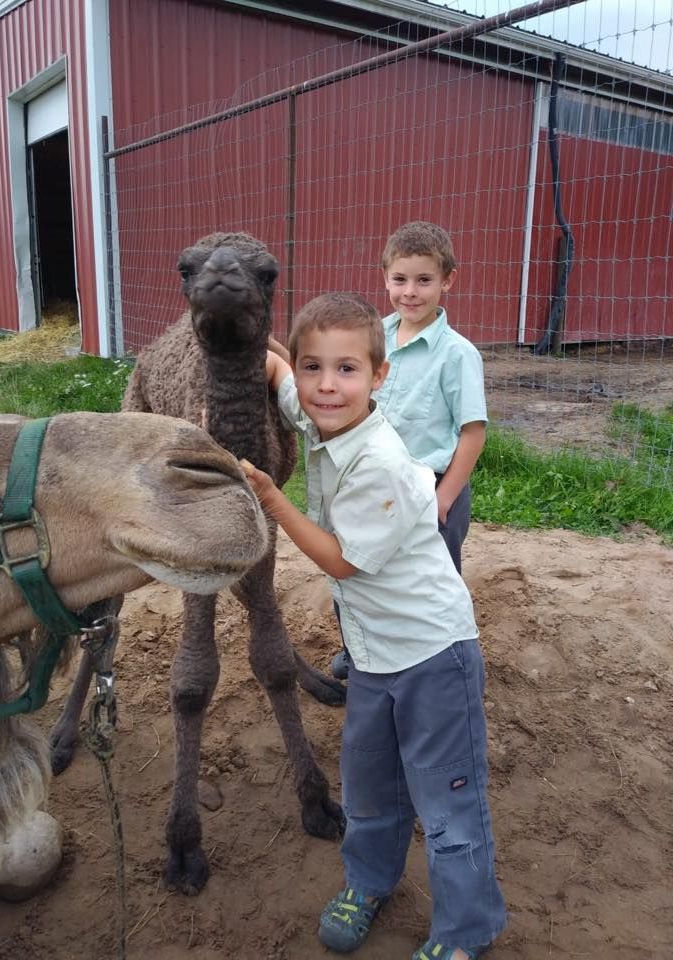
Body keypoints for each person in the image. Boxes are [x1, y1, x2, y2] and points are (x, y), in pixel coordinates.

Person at [242, 292, 506, 960]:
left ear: (380, 377)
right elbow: (285, 386)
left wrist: (273, 499)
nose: (328, 385)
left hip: (431, 657)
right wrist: (260, 353)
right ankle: (368, 880)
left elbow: (343, 562)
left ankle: (465, 929)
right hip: (374, 656)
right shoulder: (324, 414)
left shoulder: (382, 463)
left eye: (348, 370)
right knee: (367, 784)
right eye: (314, 368)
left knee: (447, 803)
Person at [330, 221, 487, 681]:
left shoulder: (457, 354)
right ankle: (358, 650)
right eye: (400, 280)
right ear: (384, 278)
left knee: (429, 582)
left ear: (447, 280)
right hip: (372, 484)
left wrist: (445, 497)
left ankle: (436, 665)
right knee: (358, 572)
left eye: (424, 280)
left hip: (431, 491)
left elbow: (472, 433)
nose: (411, 292)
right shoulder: (373, 337)